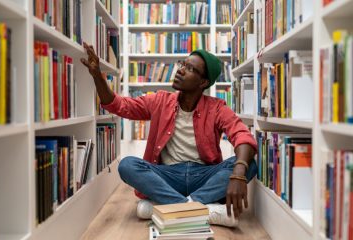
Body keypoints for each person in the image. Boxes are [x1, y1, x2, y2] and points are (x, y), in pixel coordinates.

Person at [81, 42, 258, 227]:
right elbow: (120, 106)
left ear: (203, 82)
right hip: (168, 176)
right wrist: (97, 77)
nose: (180, 70)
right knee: (127, 165)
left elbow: (242, 136)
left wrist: (238, 172)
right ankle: (201, 209)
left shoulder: (217, 108)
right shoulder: (160, 100)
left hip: (203, 176)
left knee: (249, 164)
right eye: (182, 64)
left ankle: (166, 207)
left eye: (190, 68)